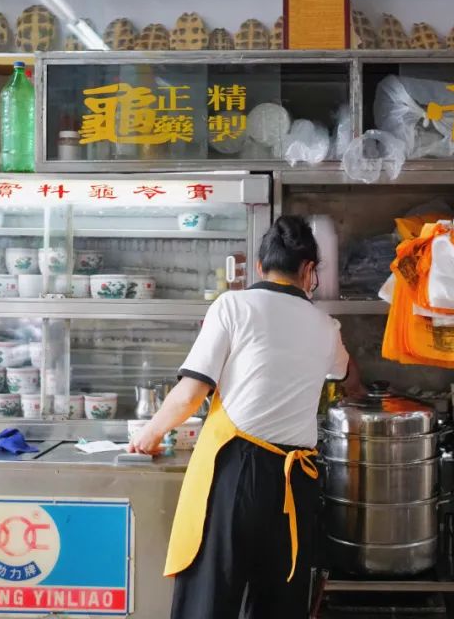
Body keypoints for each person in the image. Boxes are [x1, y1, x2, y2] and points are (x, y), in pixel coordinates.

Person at [126, 215, 362, 619]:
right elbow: (348, 374)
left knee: (210, 599)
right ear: (309, 271)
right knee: (279, 605)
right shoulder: (326, 327)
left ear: (259, 267)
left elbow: (190, 393)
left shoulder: (233, 305)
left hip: (236, 473)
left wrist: (149, 433)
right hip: (295, 484)